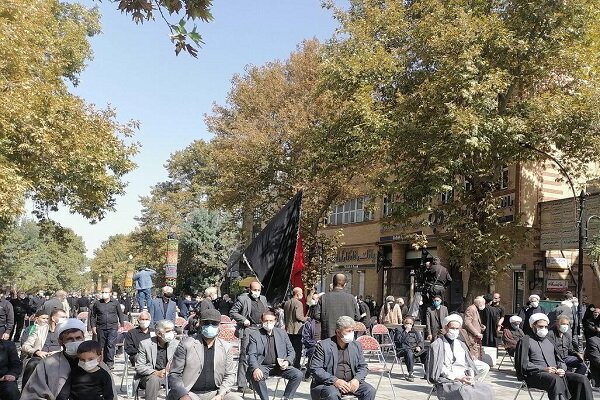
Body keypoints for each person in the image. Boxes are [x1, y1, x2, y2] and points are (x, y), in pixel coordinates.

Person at [21, 318, 117, 399]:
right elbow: (33, 394)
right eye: (70, 339)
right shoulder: (48, 364)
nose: (75, 341)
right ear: (60, 342)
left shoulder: (97, 363)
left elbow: (110, 394)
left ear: (83, 338)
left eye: (78, 338)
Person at [167, 309, 242, 400]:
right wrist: (183, 394)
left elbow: (229, 375)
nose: (210, 326)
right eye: (206, 323)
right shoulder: (186, 344)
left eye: (214, 323)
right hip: (190, 392)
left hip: (216, 392)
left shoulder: (226, 347)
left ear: (219, 325)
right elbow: (174, 374)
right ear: (200, 324)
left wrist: (220, 394)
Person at [515, 313, 594, 400]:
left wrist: (562, 369)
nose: (544, 329)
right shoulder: (525, 341)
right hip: (534, 375)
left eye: (546, 327)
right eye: (541, 326)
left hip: (556, 373)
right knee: (555, 380)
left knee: (581, 379)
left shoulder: (549, 340)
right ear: (533, 326)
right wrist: (544, 369)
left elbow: (560, 360)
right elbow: (523, 365)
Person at [427, 314, 495, 400]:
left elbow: (468, 364)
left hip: (464, 376)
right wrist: (458, 378)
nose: (454, 330)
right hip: (448, 379)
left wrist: (470, 376)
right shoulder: (436, 345)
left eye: (457, 328)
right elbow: (439, 368)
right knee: (466, 392)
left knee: (487, 390)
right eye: (452, 328)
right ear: (446, 328)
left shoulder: (461, 344)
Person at [309, 315, 375, 400]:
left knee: (369, 391)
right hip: (328, 384)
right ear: (338, 332)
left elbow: (363, 366)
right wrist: (335, 380)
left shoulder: (356, 346)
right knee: (332, 394)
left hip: (350, 383)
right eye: (348, 331)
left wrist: (357, 380)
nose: (351, 333)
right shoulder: (323, 346)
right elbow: (315, 369)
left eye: (353, 331)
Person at [246, 311, 302, 400]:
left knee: (298, 374)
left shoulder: (282, 333)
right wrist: (256, 368)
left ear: (275, 321)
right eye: (266, 321)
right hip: (262, 366)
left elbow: (291, 351)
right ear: (261, 321)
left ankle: (286, 398)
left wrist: (287, 361)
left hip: (280, 366)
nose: (268, 323)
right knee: (257, 377)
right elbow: (251, 354)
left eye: (271, 321)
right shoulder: (255, 335)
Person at [229, 280, 269, 392]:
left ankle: (253, 382)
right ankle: (242, 385)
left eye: (259, 290)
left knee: (258, 356)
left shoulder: (263, 299)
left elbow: (266, 312)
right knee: (245, 356)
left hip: (261, 329)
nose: (257, 292)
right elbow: (232, 312)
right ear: (250, 290)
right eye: (255, 290)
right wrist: (243, 320)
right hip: (248, 329)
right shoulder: (243, 299)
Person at [21, 308, 67, 388]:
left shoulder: (66, 332)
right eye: (62, 317)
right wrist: (37, 351)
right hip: (39, 357)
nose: (65, 319)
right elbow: (25, 346)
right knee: (32, 364)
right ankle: (26, 392)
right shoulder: (39, 329)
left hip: (58, 357)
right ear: (53, 318)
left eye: (66, 317)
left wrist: (58, 352)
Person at [136, 320, 180, 400]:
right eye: (168, 331)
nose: (171, 333)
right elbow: (139, 366)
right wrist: (156, 372)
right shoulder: (145, 344)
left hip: (170, 375)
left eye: (172, 330)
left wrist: (170, 371)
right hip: (149, 376)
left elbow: (181, 363)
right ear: (158, 333)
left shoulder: (177, 344)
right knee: (154, 379)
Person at [90, 287, 126, 369]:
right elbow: (92, 316)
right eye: (103, 292)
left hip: (112, 327)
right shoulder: (97, 303)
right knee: (101, 346)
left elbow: (120, 314)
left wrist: (122, 325)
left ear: (110, 293)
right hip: (100, 327)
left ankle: (110, 363)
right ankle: (101, 361)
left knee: (110, 345)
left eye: (106, 292)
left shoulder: (115, 303)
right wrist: (93, 326)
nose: (104, 294)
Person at [314, 273, 359, 338]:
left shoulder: (324, 297)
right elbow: (357, 317)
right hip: (346, 336)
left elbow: (317, 315)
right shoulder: (351, 298)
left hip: (328, 335)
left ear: (333, 283)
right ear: (345, 284)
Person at [394, 315, 427, 382]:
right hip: (402, 349)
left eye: (410, 324)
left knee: (427, 352)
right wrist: (406, 331)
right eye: (407, 323)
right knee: (409, 352)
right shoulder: (399, 330)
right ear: (404, 323)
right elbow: (399, 340)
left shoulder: (415, 331)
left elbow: (420, 340)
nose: (408, 325)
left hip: (414, 349)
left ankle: (427, 373)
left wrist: (419, 346)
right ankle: (410, 373)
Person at [283, 287, 307, 369]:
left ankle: (289, 363)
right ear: (297, 294)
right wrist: (306, 318)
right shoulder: (299, 303)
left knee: (290, 348)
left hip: (288, 329)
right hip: (297, 330)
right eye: (302, 293)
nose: (303, 295)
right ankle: (296, 365)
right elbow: (299, 316)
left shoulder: (287, 302)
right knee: (297, 349)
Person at [301, 304, 322, 380]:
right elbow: (305, 338)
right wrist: (315, 343)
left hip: (323, 344)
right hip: (312, 346)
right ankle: (310, 372)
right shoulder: (309, 324)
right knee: (315, 351)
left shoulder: (325, 323)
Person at [463, 296, 486, 361]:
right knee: (473, 353)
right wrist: (477, 333)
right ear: (479, 303)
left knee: (475, 353)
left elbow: (474, 322)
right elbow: (467, 323)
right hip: (471, 336)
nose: (483, 305)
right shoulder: (471, 309)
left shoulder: (475, 309)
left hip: (474, 337)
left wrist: (481, 326)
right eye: (483, 303)